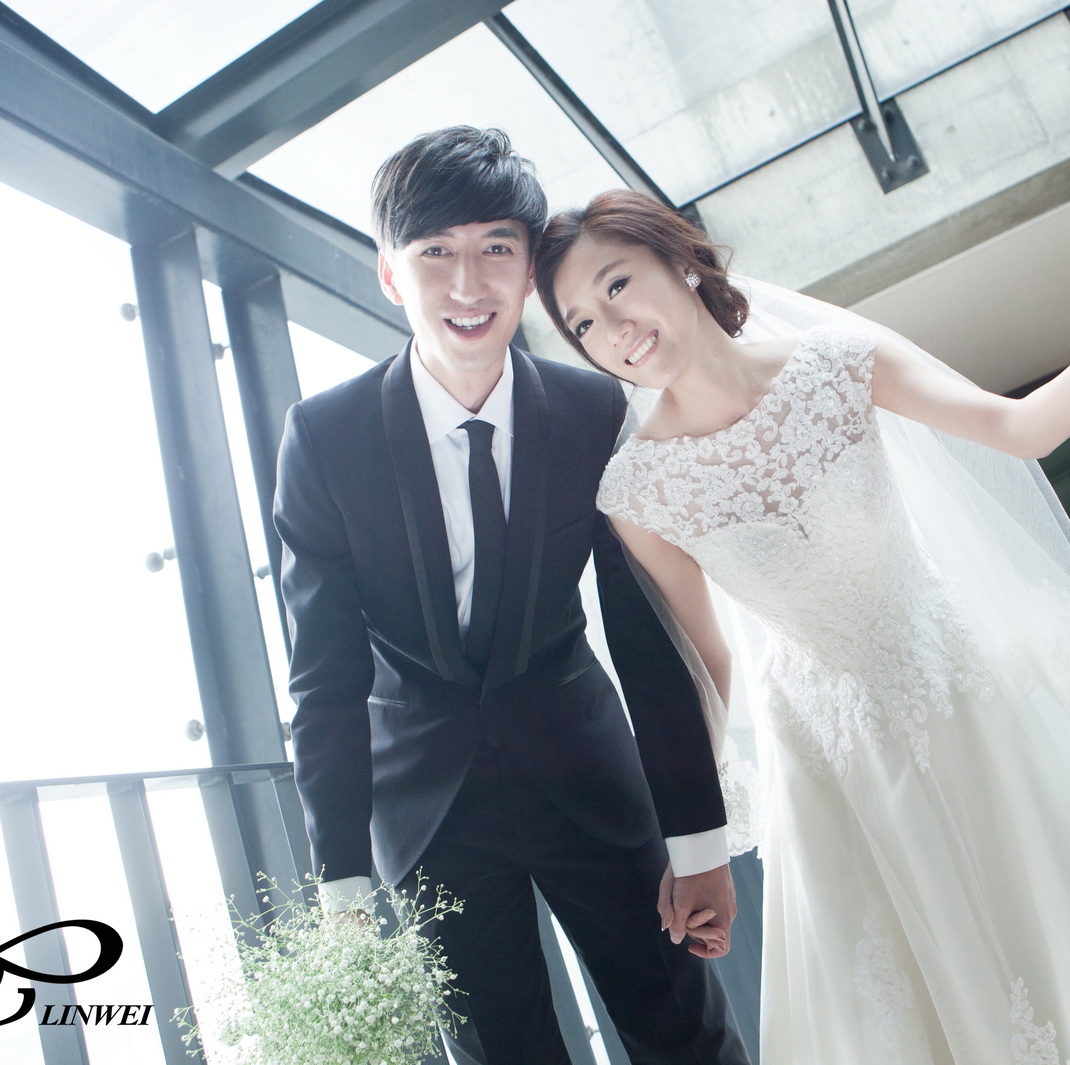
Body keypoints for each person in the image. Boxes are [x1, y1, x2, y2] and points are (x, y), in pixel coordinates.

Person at [534, 188, 1070, 1064]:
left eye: (617, 285)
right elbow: (708, 667)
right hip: (837, 763)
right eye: (582, 324)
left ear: (680, 260)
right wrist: (695, 843)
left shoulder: (836, 362)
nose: (612, 329)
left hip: (964, 692)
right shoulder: (639, 490)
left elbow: (1017, 427)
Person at [273, 131, 749, 1065]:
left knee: (687, 1034)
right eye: (435, 252)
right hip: (428, 811)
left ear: (531, 270)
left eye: (496, 247)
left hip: (590, 775)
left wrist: (699, 838)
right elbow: (322, 679)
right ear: (389, 274)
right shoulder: (325, 440)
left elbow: (646, 637)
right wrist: (341, 885)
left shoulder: (593, 413)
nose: (468, 283)